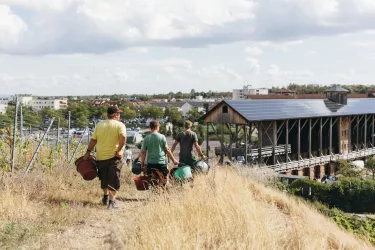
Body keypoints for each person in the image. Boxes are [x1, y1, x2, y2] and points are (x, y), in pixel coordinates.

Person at [84, 106, 126, 209]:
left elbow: (93, 140)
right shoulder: (120, 125)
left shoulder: (99, 125)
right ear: (116, 115)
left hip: (101, 156)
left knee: (104, 178)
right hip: (114, 156)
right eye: (119, 113)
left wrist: (88, 152)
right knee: (114, 179)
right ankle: (112, 202)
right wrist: (119, 150)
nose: (119, 115)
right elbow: (123, 138)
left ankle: (106, 197)